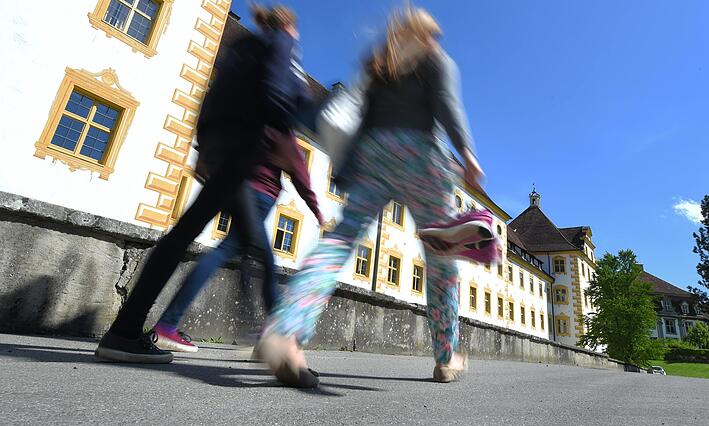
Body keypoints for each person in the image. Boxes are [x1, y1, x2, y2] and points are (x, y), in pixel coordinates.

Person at [256, 7, 485, 387]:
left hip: (374, 157)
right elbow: (447, 104)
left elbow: (354, 114)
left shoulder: (379, 63)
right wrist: (468, 152)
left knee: (341, 239)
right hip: (423, 160)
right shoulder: (435, 59)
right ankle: (447, 356)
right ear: (428, 35)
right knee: (441, 257)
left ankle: (286, 329)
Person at [95, 5, 310, 363]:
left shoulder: (239, 49)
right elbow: (275, 93)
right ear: (289, 26)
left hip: (221, 147)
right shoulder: (280, 42)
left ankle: (126, 329)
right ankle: (282, 346)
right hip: (245, 152)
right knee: (258, 251)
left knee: (188, 236)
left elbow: (209, 98)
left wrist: (203, 148)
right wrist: (283, 135)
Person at [152, 127, 324, 353]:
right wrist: (316, 211)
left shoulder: (254, 114)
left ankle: (169, 324)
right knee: (258, 261)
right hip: (259, 196)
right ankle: (275, 336)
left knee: (231, 252)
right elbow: (299, 172)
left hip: (235, 185)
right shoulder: (280, 124)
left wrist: (204, 152)